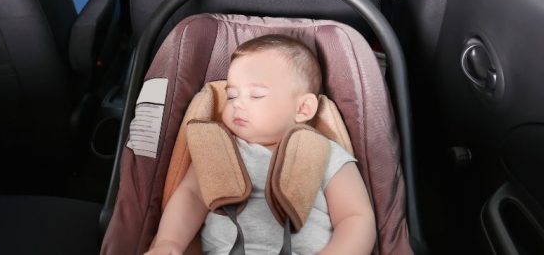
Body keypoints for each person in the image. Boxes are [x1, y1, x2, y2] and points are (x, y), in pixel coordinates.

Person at [147, 35, 377, 255]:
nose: (237, 104)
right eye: (232, 95)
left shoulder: (324, 152)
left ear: (303, 109)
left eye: (256, 95)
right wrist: (169, 242)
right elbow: (191, 196)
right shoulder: (218, 149)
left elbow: (355, 217)